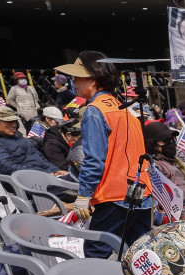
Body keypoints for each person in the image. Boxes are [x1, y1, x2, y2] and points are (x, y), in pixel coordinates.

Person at [55, 52, 154, 258]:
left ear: (92, 79)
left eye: (77, 78)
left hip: (114, 195)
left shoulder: (94, 110)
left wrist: (83, 195)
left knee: (95, 252)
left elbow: (93, 160)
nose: (74, 83)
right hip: (140, 191)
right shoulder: (125, 109)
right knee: (143, 255)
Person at [144, 121, 185, 217]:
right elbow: (165, 196)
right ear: (153, 145)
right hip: (183, 215)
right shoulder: (153, 166)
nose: (170, 142)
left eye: (172, 138)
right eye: (165, 139)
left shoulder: (177, 158)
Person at [0, 105, 67, 177]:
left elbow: (41, 159)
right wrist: (44, 174)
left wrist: (56, 170)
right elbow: (9, 168)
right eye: (9, 122)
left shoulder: (22, 139)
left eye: (15, 121)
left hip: (45, 176)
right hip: (28, 184)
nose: (14, 125)